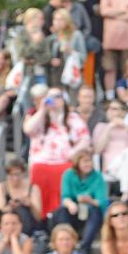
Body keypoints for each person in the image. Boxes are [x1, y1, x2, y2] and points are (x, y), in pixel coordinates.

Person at [23, 87, 90, 216]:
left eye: (57, 97)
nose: (54, 100)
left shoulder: (73, 118)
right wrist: (42, 109)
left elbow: (85, 139)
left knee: (69, 172)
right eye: (50, 97)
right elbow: (28, 129)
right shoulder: (37, 115)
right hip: (42, 161)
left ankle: (63, 212)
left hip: (65, 161)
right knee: (39, 170)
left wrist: (73, 153)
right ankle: (41, 215)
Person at [52, 148, 107, 254]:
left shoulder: (98, 176)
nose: (89, 164)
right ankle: (66, 242)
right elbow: (65, 197)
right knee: (62, 211)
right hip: (73, 211)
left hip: (91, 210)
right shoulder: (68, 174)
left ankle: (84, 247)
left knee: (96, 212)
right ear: (78, 163)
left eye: (90, 161)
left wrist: (90, 200)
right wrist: (71, 204)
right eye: (85, 161)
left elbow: (101, 202)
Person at [48, 8, 86, 94]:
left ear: (67, 21)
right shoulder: (52, 38)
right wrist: (51, 60)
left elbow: (84, 57)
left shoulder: (76, 35)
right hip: (56, 74)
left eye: (61, 19)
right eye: (55, 19)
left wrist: (71, 51)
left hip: (71, 73)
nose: (57, 22)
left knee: (72, 103)